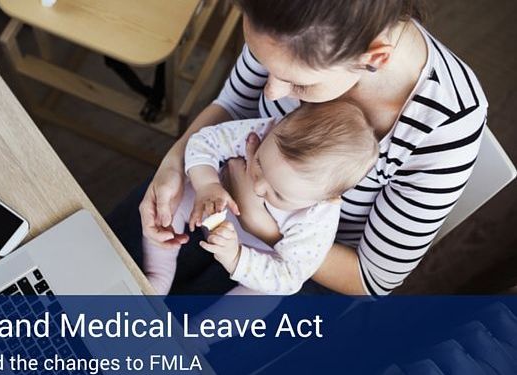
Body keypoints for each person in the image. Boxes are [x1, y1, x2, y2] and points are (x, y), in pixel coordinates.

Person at [108, 0, 487, 296]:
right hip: (214, 186)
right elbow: (234, 106)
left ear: (373, 58)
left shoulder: (447, 123)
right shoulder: (288, 17)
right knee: (86, 270)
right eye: (263, 62)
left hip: (299, 261)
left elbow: (371, 279)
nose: (271, 92)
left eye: (298, 84)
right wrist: (174, 164)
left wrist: (265, 227)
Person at [143, 101, 378, 295]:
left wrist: (236, 257)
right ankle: (157, 277)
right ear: (277, 126)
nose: (257, 186)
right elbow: (205, 141)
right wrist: (207, 184)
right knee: (172, 201)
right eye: (259, 164)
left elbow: (289, 276)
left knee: (264, 296)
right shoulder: (266, 130)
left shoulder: (318, 218)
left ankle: (198, 335)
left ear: (327, 199)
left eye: (278, 193)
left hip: (258, 253)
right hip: (214, 201)